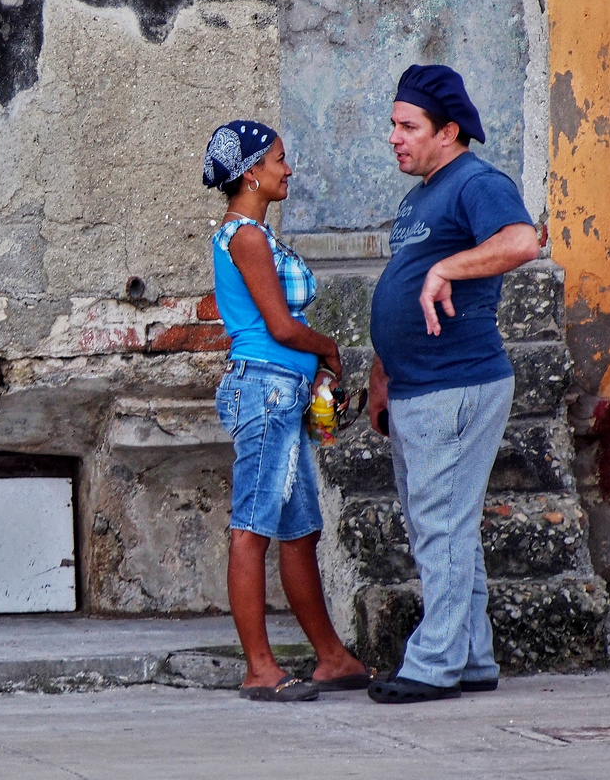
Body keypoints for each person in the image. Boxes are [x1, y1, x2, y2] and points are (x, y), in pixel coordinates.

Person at [364, 65, 541, 704]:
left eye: (408, 126)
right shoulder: (421, 196)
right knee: (443, 524)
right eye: (393, 124)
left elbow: (523, 240)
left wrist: (448, 267)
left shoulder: (476, 182)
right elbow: (402, 285)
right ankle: (471, 657)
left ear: (449, 131)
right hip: (415, 385)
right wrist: (381, 373)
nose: (394, 137)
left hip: (457, 383)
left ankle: (433, 663)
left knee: (440, 523)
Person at [203, 119, 373, 702]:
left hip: (284, 392)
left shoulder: (250, 235)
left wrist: (319, 372)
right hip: (266, 391)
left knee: (300, 531)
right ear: (251, 171)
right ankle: (260, 670)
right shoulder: (245, 236)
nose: (287, 168)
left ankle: (332, 659)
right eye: (278, 158)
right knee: (252, 529)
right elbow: (278, 326)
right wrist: (328, 348)